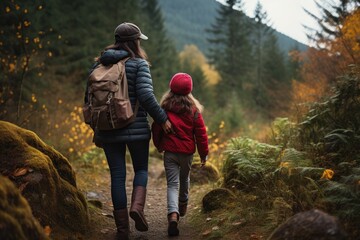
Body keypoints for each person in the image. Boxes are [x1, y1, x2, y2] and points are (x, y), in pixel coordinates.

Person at [84, 22, 172, 240]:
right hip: (136, 127)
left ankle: (122, 230)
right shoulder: (139, 64)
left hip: (107, 128)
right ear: (135, 41)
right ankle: (137, 208)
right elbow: (145, 96)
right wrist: (162, 119)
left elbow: (88, 101)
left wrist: (98, 127)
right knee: (141, 169)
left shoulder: (97, 66)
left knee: (117, 175)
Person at [152, 72, 209, 236]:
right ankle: (183, 204)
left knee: (172, 184)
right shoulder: (194, 111)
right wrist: (204, 154)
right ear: (189, 92)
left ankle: (173, 215)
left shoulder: (164, 108)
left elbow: (156, 128)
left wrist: (158, 145)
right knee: (184, 179)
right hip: (187, 153)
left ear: (171, 90)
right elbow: (201, 135)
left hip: (170, 152)